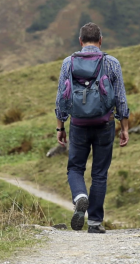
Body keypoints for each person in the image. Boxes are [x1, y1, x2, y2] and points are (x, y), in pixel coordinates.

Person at [55, 22, 130, 234]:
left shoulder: (68, 63)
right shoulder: (111, 62)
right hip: (104, 123)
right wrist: (124, 127)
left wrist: (60, 126)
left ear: (80, 41)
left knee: (75, 168)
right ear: (100, 40)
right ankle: (95, 222)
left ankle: (80, 196)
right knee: (99, 173)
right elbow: (121, 98)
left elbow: (61, 97)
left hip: (78, 124)